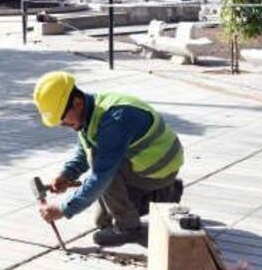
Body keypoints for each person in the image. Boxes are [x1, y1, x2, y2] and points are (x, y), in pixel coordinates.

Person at [32, 71, 184, 247]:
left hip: (159, 168)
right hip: (147, 166)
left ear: (77, 103)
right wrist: (67, 175)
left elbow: (101, 176)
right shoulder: (90, 114)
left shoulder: (114, 119)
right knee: (102, 221)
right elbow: (83, 151)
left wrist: (64, 209)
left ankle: (129, 228)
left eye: (62, 117)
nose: (61, 124)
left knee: (102, 164)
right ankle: (166, 192)